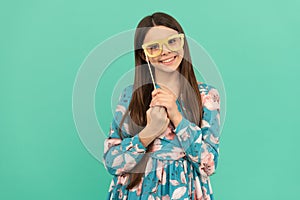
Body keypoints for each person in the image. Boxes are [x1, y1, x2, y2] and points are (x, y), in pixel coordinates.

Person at [103, 12, 221, 200]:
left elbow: (209, 164)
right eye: (154, 47)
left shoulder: (206, 96)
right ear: (144, 54)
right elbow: (111, 162)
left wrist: (177, 117)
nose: (165, 51)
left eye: (172, 42)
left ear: (182, 43)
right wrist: (148, 132)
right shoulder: (130, 95)